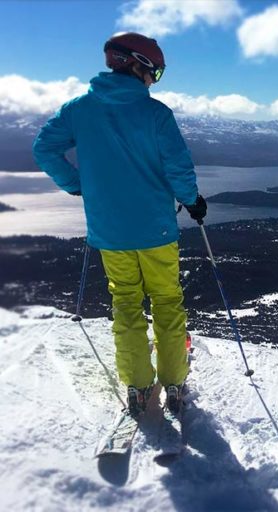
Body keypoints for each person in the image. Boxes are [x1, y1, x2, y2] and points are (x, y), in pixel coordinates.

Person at [33, 32, 207, 416]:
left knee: (126, 304)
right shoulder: (156, 114)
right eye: (155, 72)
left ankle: (138, 384)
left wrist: (78, 185)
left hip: (109, 232)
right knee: (166, 302)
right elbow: (178, 167)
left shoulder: (79, 110)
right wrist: (192, 201)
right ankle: (175, 381)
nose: (154, 80)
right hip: (157, 231)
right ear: (137, 64)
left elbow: (43, 148)